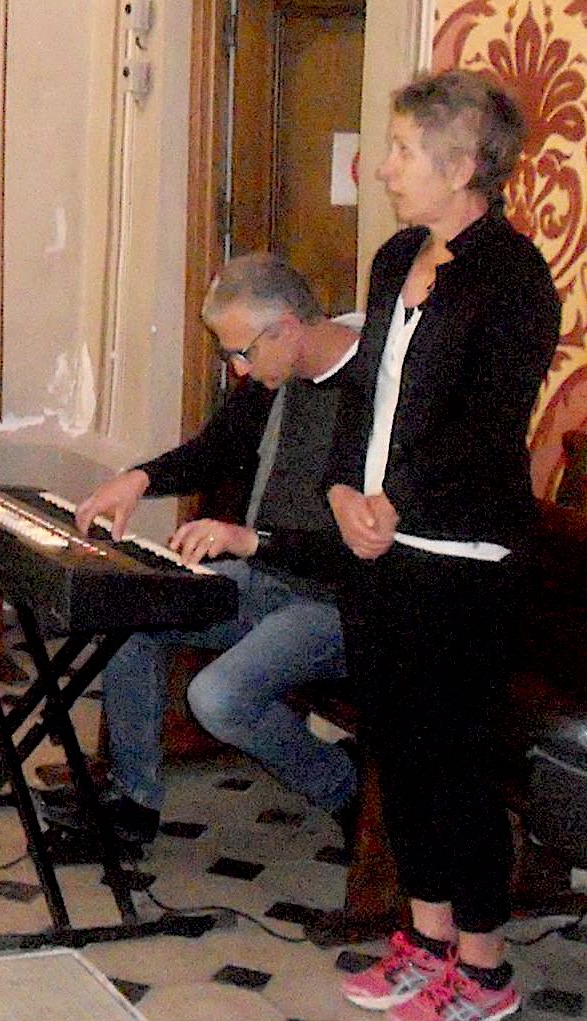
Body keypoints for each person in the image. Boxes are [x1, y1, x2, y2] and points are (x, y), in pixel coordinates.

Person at [327, 70, 558, 1021]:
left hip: (457, 557)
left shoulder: (513, 278)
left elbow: (483, 425)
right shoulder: (392, 259)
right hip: (377, 543)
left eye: (400, 152)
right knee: (398, 748)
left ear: (462, 166)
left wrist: (392, 502)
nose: (379, 167)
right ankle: (422, 938)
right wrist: (343, 488)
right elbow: (363, 393)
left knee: (454, 758)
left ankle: (484, 966)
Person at [60, 254, 361, 850]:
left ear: (288, 328)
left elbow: (367, 547)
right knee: (134, 614)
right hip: (267, 580)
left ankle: (346, 790)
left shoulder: (374, 388)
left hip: (341, 604)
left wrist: (250, 540)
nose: (238, 369)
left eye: (242, 351)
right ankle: (132, 802)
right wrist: (140, 478)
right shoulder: (274, 379)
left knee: (219, 696)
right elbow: (216, 450)